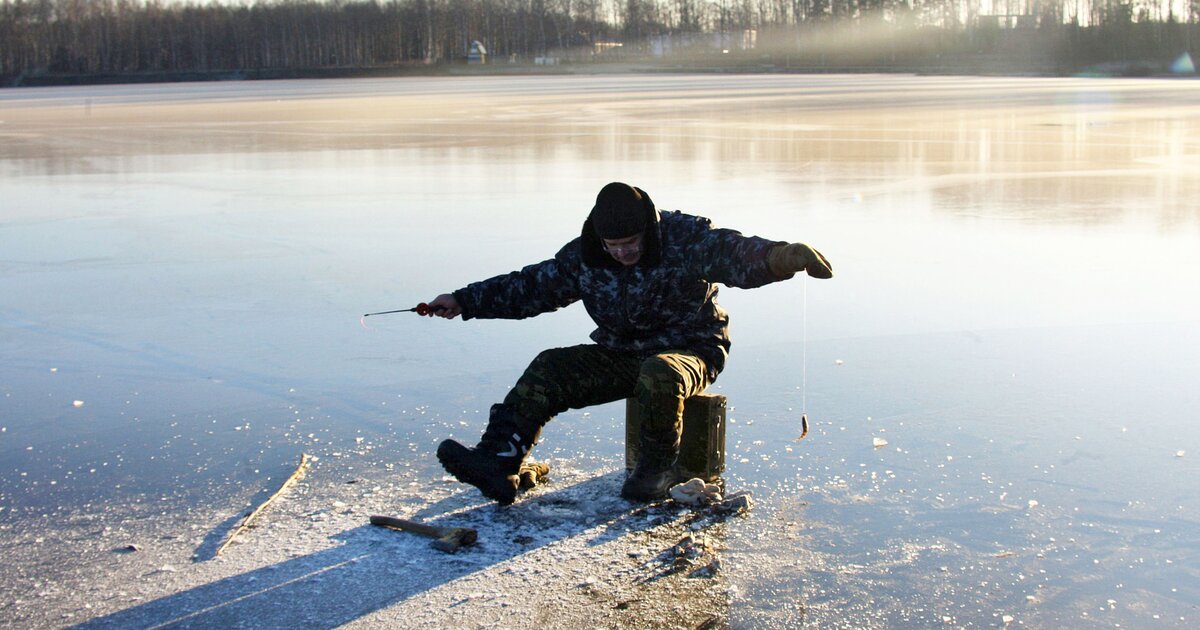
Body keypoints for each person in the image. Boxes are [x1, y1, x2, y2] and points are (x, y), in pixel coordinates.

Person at [425, 182, 832, 505]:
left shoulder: (683, 238)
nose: (623, 253)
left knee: (661, 372)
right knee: (549, 367)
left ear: (648, 229)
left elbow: (736, 253)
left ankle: (654, 471)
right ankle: (499, 461)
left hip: (691, 349)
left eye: (631, 243)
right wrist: (464, 300)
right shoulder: (584, 255)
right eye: (614, 246)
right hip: (621, 352)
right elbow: (530, 288)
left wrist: (785, 257)